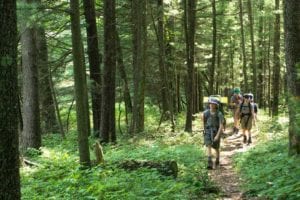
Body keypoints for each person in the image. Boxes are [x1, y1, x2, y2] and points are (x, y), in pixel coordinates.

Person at [202, 97, 224, 169]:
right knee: (208, 146)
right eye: (211, 103)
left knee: (216, 147)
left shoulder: (219, 114)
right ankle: (209, 162)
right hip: (208, 131)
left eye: (213, 104)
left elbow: (221, 125)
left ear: (216, 105)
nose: (211, 105)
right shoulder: (205, 113)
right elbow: (204, 122)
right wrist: (204, 130)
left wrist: (217, 136)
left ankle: (217, 160)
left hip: (216, 131)